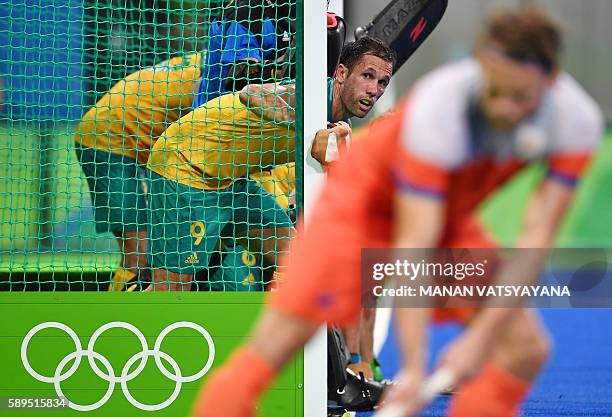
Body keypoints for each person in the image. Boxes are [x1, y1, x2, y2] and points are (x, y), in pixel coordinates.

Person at [191, 8, 604, 417]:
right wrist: (414, 367)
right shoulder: (440, 108)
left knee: (525, 349)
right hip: (359, 200)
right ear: (481, 67)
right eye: (495, 92)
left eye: (521, 98)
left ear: (550, 83)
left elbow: (536, 237)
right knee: (275, 346)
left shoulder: (575, 123)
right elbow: (413, 246)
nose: (505, 109)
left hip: (448, 215)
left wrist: (479, 341)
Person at [146, 36, 395, 291]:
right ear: (342, 73)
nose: (374, 89)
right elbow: (251, 93)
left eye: (382, 82)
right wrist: (302, 123)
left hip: (231, 181)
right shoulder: (311, 96)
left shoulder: (338, 129)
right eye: (367, 76)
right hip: (186, 163)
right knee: (171, 291)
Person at [75, 53, 204, 291]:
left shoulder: (206, 60)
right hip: (107, 140)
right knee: (139, 253)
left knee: (154, 250)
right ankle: (115, 317)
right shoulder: (215, 75)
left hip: (138, 146)